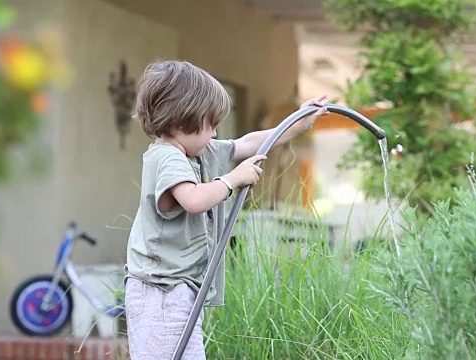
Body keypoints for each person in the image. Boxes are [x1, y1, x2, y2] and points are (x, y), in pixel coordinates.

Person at [124, 59, 328, 359]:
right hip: (160, 292)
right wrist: (232, 180)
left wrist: (297, 122)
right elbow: (193, 200)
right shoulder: (166, 157)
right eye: (211, 125)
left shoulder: (198, 152)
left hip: (178, 289)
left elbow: (249, 143)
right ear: (182, 121)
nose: (215, 135)